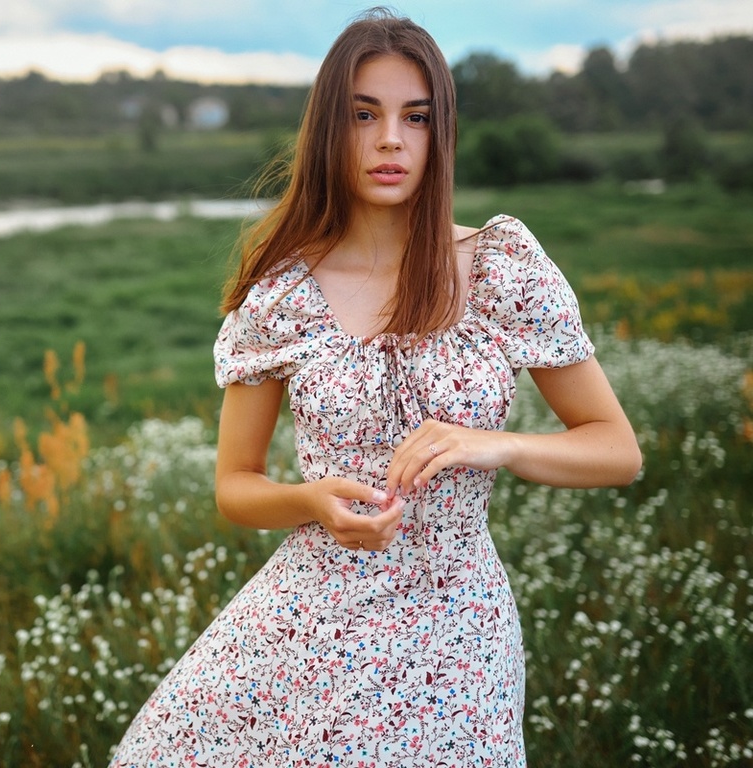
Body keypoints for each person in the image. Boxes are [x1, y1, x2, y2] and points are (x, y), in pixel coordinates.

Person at [109, 8, 641, 767]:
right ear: (332, 129)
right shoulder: (280, 293)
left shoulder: (502, 267)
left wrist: (494, 444)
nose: (391, 138)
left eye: (415, 118)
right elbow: (235, 485)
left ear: (440, 134)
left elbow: (617, 450)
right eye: (365, 115)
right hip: (310, 625)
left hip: (458, 633)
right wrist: (310, 500)